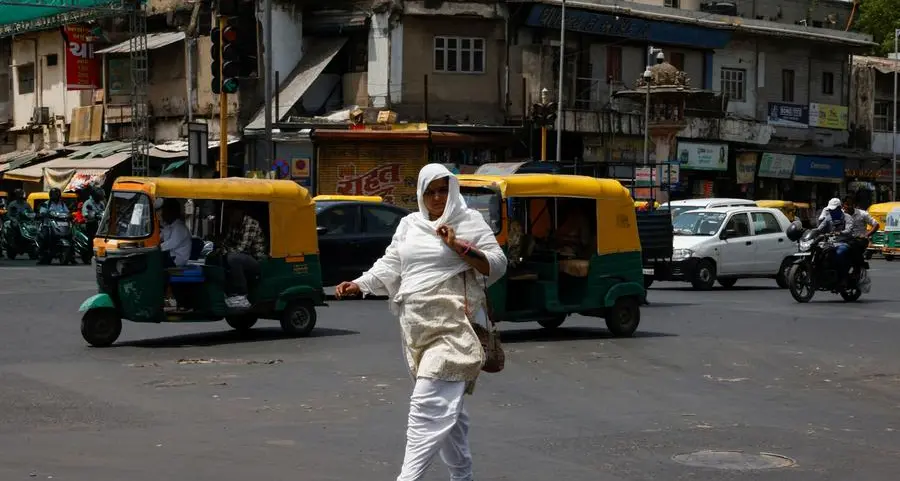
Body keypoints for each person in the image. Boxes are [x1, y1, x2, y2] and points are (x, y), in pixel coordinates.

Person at [334, 164, 507, 481]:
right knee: (449, 410)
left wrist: (458, 246)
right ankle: (462, 475)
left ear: (453, 190)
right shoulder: (409, 224)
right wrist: (361, 283)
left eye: (443, 190)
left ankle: (408, 478)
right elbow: (391, 264)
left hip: (456, 324)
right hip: (416, 327)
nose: (438, 197)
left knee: (428, 404)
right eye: (431, 191)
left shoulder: (469, 222)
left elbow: (496, 265)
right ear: (421, 194)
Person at [220, 205, 267, 308]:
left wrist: (226, 251)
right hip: (241, 256)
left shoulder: (251, 223)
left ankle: (241, 294)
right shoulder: (234, 223)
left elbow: (242, 249)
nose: (230, 216)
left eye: (232, 213)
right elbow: (225, 243)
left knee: (234, 258)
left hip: (255, 260)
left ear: (239, 212)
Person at [159, 198, 192, 268]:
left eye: (164, 211)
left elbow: (171, 243)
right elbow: (160, 237)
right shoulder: (169, 226)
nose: (162, 214)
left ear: (171, 212)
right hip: (170, 257)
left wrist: (156, 248)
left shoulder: (179, 227)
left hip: (176, 260)